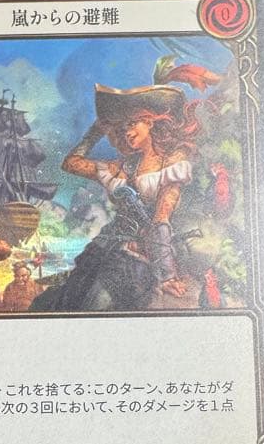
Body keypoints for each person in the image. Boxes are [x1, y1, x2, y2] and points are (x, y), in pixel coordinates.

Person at [30, 82, 198, 312]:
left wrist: (167, 274)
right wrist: (95, 132)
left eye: (132, 124)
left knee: (96, 304)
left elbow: (161, 218)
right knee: (68, 298)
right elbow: (70, 163)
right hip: (104, 249)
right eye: (122, 127)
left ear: (149, 122)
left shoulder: (170, 166)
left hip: (141, 256)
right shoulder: (119, 168)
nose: (126, 132)